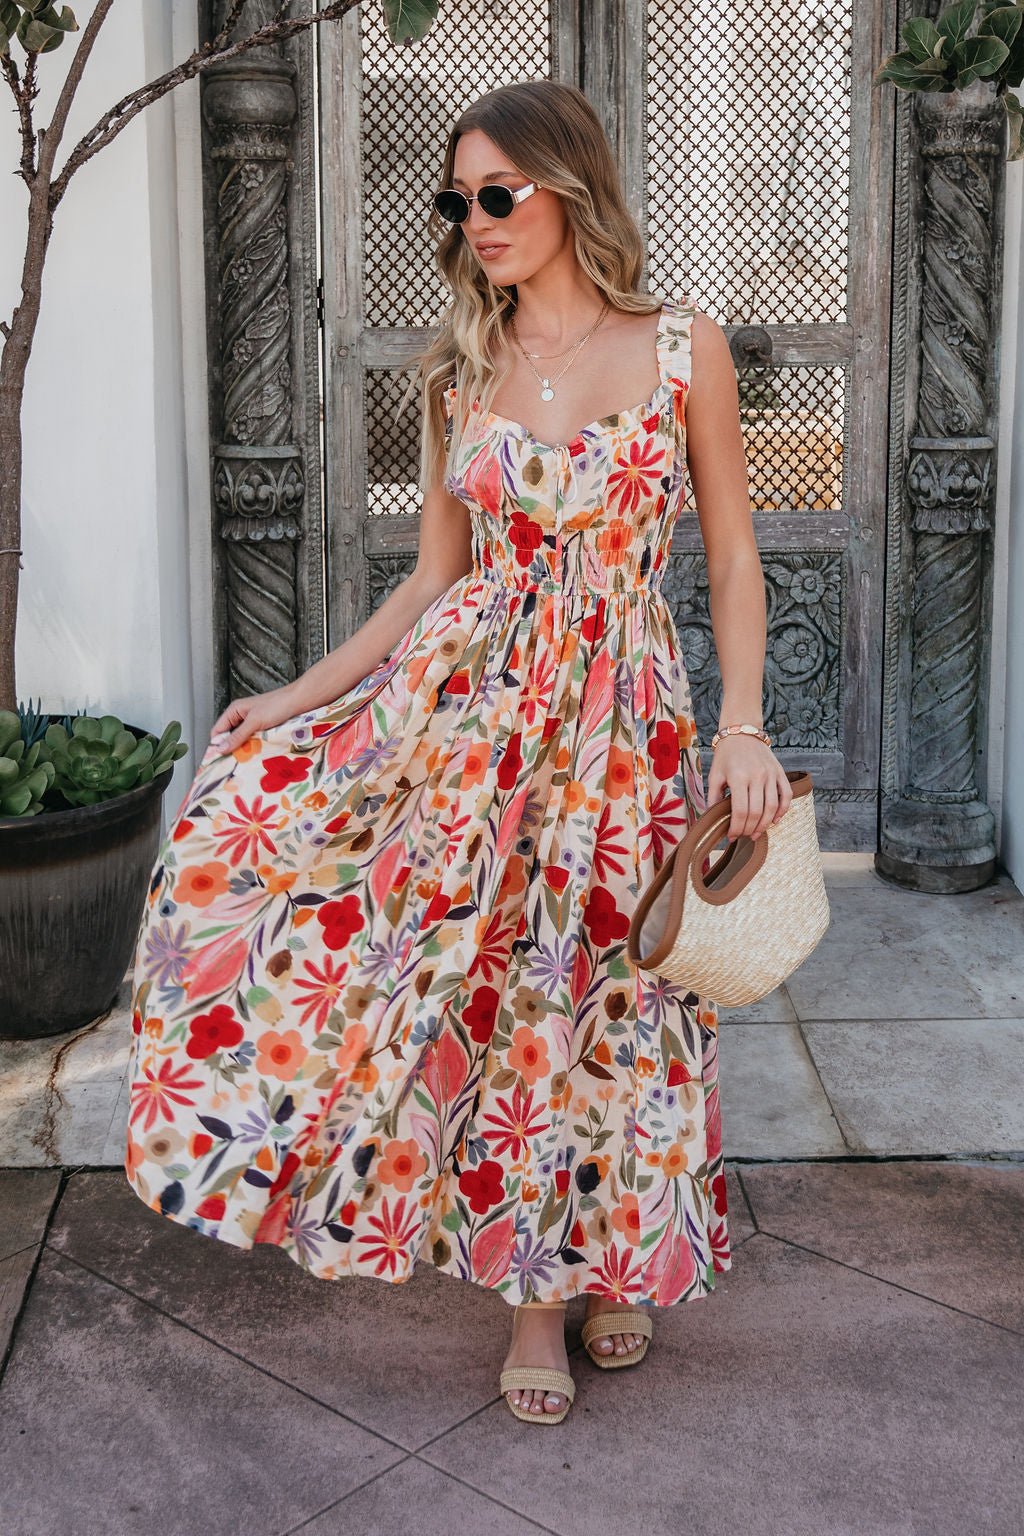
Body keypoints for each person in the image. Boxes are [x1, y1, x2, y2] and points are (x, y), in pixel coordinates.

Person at [125, 77, 791, 1427]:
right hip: (478, 730)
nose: (476, 219)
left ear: (569, 188)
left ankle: (619, 1258)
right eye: (460, 199)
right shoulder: (459, 372)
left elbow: (729, 550)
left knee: (631, 985)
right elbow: (431, 581)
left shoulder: (682, 349)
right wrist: (300, 697)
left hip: (629, 721)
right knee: (512, 996)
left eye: (500, 193)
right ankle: (534, 1293)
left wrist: (742, 724)